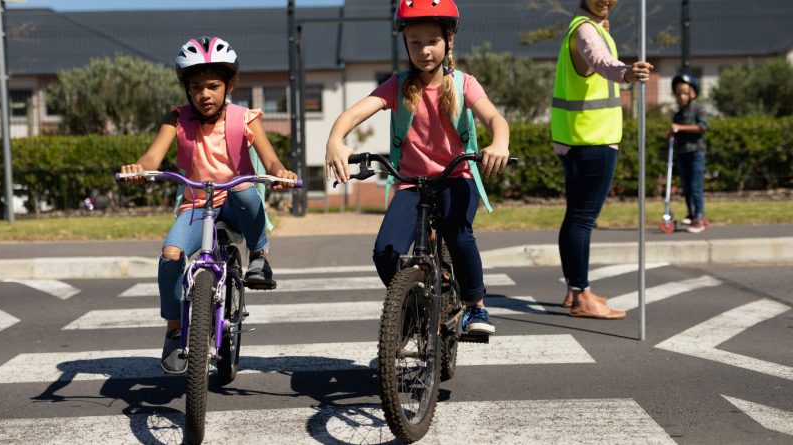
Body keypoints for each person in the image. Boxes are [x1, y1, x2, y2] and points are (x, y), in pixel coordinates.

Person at [325, 0, 510, 335]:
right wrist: (336, 139)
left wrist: (499, 143)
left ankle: (475, 307)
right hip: (412, 183)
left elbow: (494, 118)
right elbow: (352, 115)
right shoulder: (397, 85)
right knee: (386, 251)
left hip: (457, 177)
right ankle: (412, 305)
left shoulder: (464, 84)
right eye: (415, 42)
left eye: (432, 41)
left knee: (457, 232)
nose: (424, 50)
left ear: (449, 40)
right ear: (405, 43)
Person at [120, 36, 297, 373]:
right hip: (196, 205)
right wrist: (138, 169)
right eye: (196, 86)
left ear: (229, 85)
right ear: (186, 88)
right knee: (171, 255)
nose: (205, 94)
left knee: (244, 186)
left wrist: (280, 173)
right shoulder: (177, 120)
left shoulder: (245, 118)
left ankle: (259, 257)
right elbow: (152, 156)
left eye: (213, 85)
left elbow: (271, 160)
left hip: (235, 199)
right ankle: (174, 328)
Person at [551, 0, 653, 319]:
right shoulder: (585, 30)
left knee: (575, 217)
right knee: (582, 219)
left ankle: (574, 289)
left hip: (576, 138)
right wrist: (626, 72)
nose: (607, 0)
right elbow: (599, 61)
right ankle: (582, 296)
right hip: (593, 141)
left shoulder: (586, 27)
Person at [669, 73, 709, 233]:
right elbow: (675, 131)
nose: (681, 96)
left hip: (696, 152)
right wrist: (671, 132)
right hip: (682, 152)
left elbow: (703, 127)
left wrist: (680, 128)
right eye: (678, 93)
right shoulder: (678, 114)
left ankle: (700, 217)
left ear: (692, 93)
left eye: (685, 93)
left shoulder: (698, 109)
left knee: (695, 185)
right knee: (686, 186)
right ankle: (692, 214)